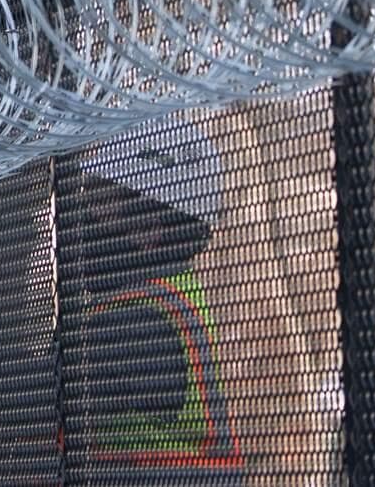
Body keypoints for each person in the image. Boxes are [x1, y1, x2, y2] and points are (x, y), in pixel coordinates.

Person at [64, 117, 243, 483]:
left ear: (147, 229)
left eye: (101, 201)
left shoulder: (139, 320)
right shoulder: (170, 300)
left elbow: (15, 401)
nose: (83, 214)